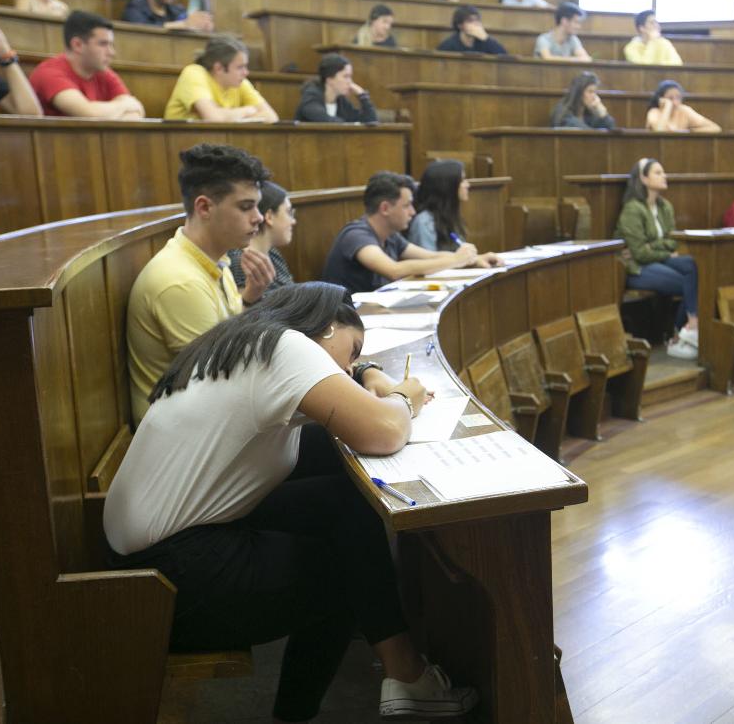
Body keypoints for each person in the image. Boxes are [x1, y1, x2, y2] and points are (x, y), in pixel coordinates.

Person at [105, 282, 480, 722]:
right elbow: (384, 430)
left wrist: (367, 373)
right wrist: (403, 399)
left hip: (147, 559)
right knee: (347, 570)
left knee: (344, 502)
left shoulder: (244, 342)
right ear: (324, 327)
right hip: (171, 583)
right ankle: (315, 707)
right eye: (353, 349)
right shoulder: (286, 348)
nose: (350, 363)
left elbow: (339, 390)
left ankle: (403, 671)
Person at [126, 143, 275, 424]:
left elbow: (228, 340)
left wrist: (251, 297)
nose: (258, 217)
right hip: (186, 442)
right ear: (204, 207)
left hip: (207, 422)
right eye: (246, 207)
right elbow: (221, 379)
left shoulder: (215, 260)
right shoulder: (179, 281)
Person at [321, 171, 481, 294]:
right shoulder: (356, 235)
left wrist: (472, 259)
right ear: (385, 208)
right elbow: (394, 271)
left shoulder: (391, 236)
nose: (412, 212)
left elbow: (431, 256)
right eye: (407, 206)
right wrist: (456, 259)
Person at [615, 158, 699, 360]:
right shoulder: (632, 209)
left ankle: (686, 327)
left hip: (658, 260)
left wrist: (656, 246)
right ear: (644, 178)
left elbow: (673, 240)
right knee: (686, 283)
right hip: (636, 267)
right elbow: (639, 254)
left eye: (663, 172)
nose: (664, 176)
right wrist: (664, 250)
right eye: (658, 173)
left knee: (693, 265)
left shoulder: (665, 206)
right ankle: (685, 331)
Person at [29, 10, 145, 118]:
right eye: (103, 44)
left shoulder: (102, 71)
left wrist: (115, 110)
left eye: (111, 45)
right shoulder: (49, 73)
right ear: (77, 45)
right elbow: (88, 114)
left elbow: (136, 112)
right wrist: (123, 106)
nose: (112, 52)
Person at [406, 160, 503, 265]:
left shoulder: (450, 217)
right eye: (462, 180)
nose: (467, 185)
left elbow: (460, 257)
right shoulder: (424, 222)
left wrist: (478, 258)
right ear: (447, 186)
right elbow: (428, 264)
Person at [164, 35, 278, 122]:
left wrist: (229, 115)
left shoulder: (240, 82)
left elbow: (271, 117)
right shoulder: (194, 73)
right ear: (218, 68)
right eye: (240, 67)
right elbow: (213, 117)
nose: (246, 72)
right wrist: (247, 110)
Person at [228, 180, 296, 298]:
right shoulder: (240, 261)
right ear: (269, 217)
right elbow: (245, 313)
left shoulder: (272, 253)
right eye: (289, 212)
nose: (293, 221)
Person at [294, 52, 377, 123]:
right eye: (345, 76)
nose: (350, 82)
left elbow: (371, 121)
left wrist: (363, 96)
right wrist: (348, 125)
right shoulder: (310, 96)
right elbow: (325, 121)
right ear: (330, 79)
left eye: (350, 77)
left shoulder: (341, 101)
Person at [645, 80, 720, 133]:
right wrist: (667, 106)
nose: (675, 102)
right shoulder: (654, 112)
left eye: (678, 98)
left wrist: (689, 131)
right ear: (661, 99)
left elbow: (715, 128)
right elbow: (659, 132)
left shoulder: (684, 110)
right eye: (670, 98)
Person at [550, 71, 614, 129]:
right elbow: (588, 135)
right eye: (590, 91)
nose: (594, 96)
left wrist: (604, 115)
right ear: (578, 93)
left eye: (595, 92)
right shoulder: (563, 113)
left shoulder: (589, 112)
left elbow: (610, 130)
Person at [437, 5, 505, 55]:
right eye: (470, 21)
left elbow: (504, 57)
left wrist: (486, 38)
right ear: (460, 25)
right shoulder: (449, 44)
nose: (475, 24)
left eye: (477, 20)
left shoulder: (485, 41)